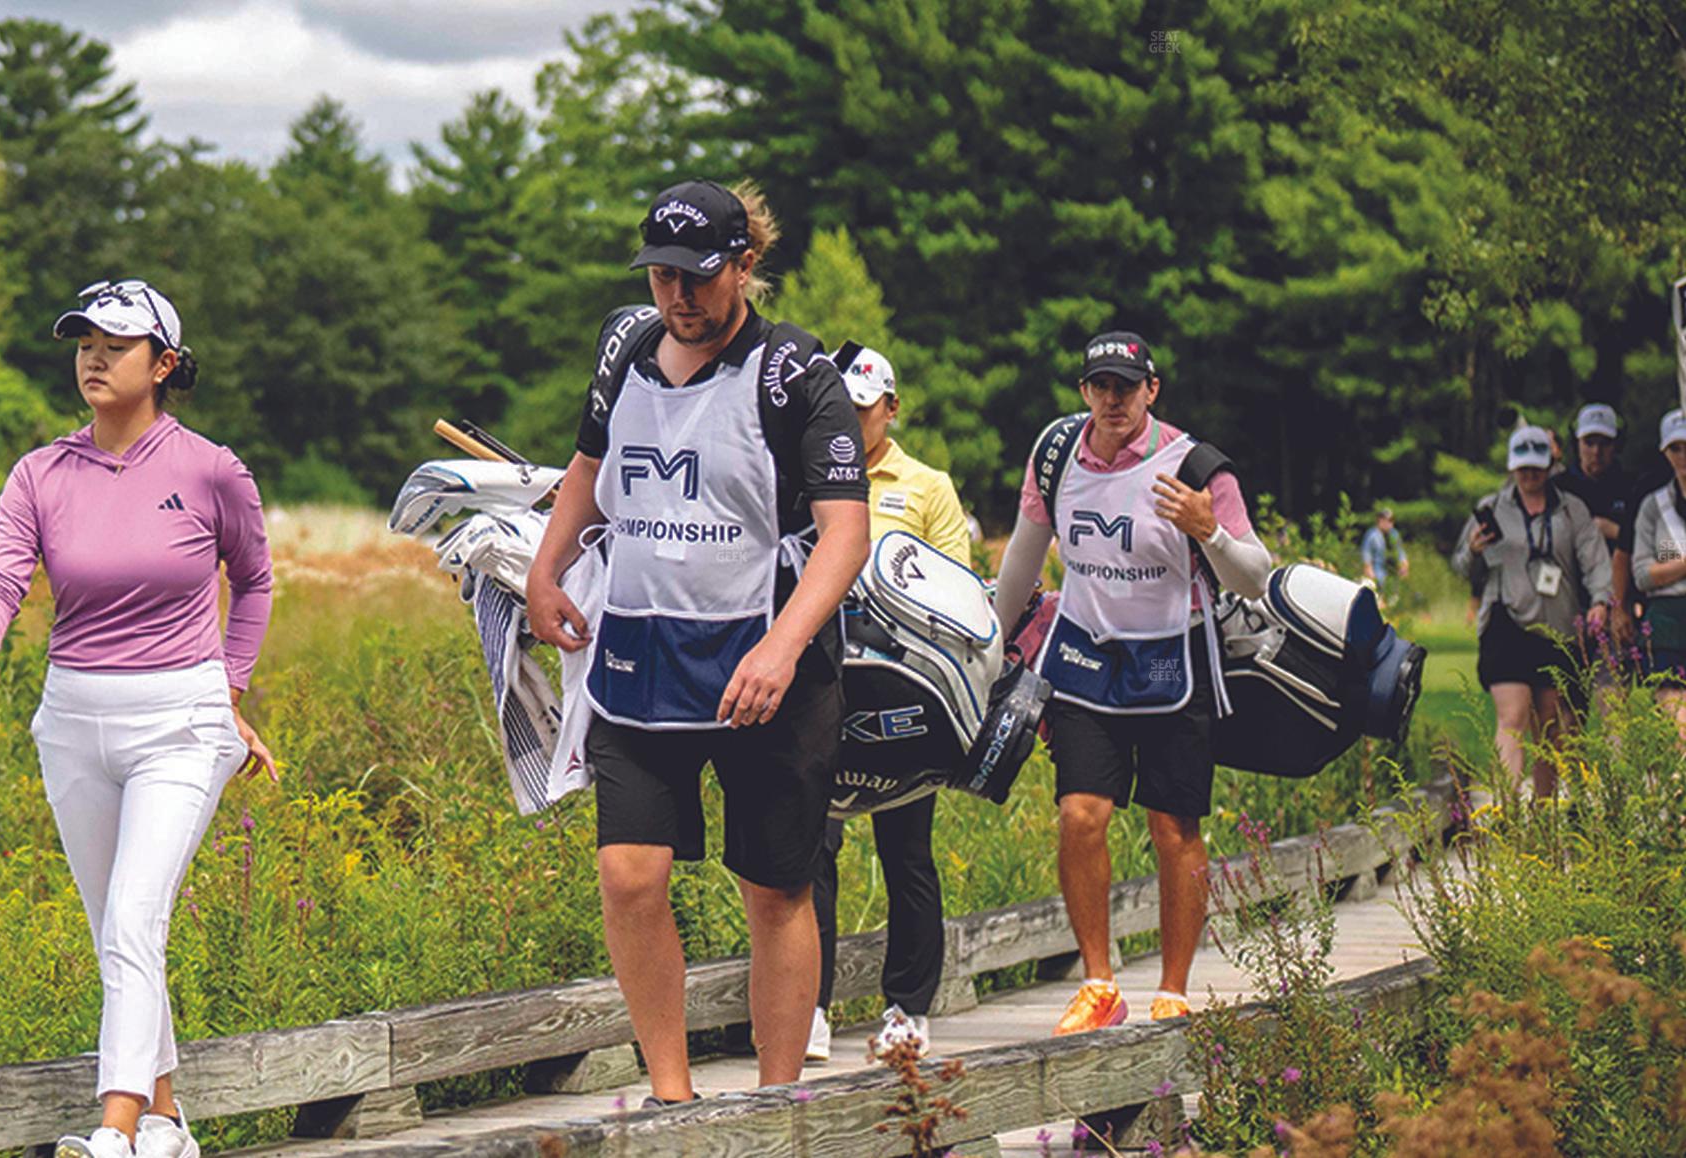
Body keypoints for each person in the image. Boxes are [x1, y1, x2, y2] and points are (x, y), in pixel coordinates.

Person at [524, 179, 870, 1103]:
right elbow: (589, 470)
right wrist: (544, 571)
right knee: (629, 876)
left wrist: (785, 648)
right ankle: (673, 1100)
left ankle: (774, 1104)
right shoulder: (626, 349)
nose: (678, 296)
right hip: (638, 661)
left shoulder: (797, 374)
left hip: (765, 667)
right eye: (662, 276)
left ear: (745, 267)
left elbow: (845, 533)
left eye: (698, 276)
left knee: (774, 889)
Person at [0, 279, 276, 1158]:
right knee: (116, 933)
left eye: (117, 344)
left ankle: (114, 1132)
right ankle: (168, 1125)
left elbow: (254, 582)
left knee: (135, 919)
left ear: (163, 364)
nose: (94, 357)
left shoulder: (212, 470)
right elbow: (1, 576)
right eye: (84, 341)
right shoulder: (40, 472)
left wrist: (230, 693)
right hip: (73, 722)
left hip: (180, 722)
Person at [989, 331, 1274, 1035]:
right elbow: (1023, 565)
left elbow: (1255, 575)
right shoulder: (1057, 456)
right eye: (1099, 386)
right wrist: (990, 648)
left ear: (1152, 390)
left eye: (1126, 386)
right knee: (1080, 815)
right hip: (1087, 659)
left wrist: (1209, 531)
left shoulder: (1194, 465)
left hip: (1174, 662)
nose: (1112, 400)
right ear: (1084, 391)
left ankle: (1173, 988)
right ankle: (1099, 980)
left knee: (1173, 826)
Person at [808, 345, 965, 1065]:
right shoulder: (803, 473)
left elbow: (958, 590)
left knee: (906, 849)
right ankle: (808, 1004)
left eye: (863, 408)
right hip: (819, 680)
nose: (851, 419)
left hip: (901, 688)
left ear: (890, 409)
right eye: (840, 407)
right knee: (811, 845)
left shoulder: (927, 486)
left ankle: (907, 1005)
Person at [1454, 424, 1612, 805]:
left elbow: (1595, 561)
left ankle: (1542, 812)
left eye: (1536, 468)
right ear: (1512, 468)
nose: (1529, 476)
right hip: (1505, 622)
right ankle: (1506, 809)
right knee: (1512, 716)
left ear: (1549, 466)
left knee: (1551, 725)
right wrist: (1474, 550)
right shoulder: (1491, 509)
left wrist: (1601, 601)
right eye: (1522, 468)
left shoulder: (1571, 510)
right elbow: (1461, 567)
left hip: (1556, 629)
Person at [1553, 403, 1638, 670]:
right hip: (1566, 601)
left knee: (1612, 695)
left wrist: (1616, 532)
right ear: (1577, 443)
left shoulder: (1634, 487)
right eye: (1589, 442)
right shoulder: (1557, 489)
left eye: (1605, 443)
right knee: (1566, 699)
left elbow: (1661, 546)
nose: (1596, 452)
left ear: (1617, 446)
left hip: (1618, 602)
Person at [1632, 410, 1686, 739]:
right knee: (1678, 721)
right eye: (1675, 448)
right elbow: (1642, 573)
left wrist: (1669, 566)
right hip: (1667, 618)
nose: (1683, 456)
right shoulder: (1654, 506)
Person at [1359, 508, 1409, 603]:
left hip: (1392, 571)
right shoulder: (1372, 535)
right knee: (1378, 597)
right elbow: (1366, 552)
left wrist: (1404, 564)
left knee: (1394, 597)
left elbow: (1400, 551)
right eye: (1386, 520)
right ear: (1380, 520)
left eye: (1391, 520)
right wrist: (1368, 568)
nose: (1389, 523)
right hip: (1377, 571)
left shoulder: (1394, 534)